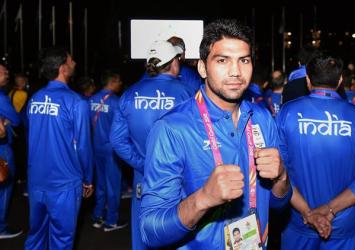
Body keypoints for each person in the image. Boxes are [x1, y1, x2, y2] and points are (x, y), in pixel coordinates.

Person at [140, 19, 291, 249]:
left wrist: (281, 178)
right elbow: (149, 231)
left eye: (244, 60)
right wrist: (203, 199)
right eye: (222, 60)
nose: (235, 71)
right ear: (202, 67)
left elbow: (279, 205)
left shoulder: (262, 118)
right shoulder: (171, 128)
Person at [277, 53, 355, 249]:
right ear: (340, 80)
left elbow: (278, 170)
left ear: (308, 80)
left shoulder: (287, 113)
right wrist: (329, 210)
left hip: (298, 217)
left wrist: (308, 212)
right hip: (341, 219)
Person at [110, 40, 192, 250]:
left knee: (143, 234)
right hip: (179, 176)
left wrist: (144, 163)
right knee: (179, 232)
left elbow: (118, 140)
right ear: (173, 62)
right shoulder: (187, 94)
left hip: (143, 176)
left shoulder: (129, 94)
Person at [25, 47, 94, 249]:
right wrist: (88, 179)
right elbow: (83, 146)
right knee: (62, 239)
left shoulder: (35, 98)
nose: (75, 64)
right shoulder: (76, 102)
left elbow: (33, 138)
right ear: (63, 68)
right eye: (72, 61)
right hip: (64, 183)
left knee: (35, 236)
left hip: (36, 181)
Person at [90, 71, 127, 232]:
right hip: (111, 150)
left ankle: (97, 215)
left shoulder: (90, 99)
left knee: (100, 183)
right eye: (119, 81)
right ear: (113, 81)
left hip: (95, 147)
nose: (121, 84)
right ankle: (111, 220)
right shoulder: (115, 102)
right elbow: (121, 129)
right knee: (113, 185)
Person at [0, 63, 22, 239]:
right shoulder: (1, 96)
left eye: (7, 71)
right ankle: (1, 227)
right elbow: (16, 119)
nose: (6, 75)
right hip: (2, 148)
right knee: (5, 184)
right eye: (2, 72)